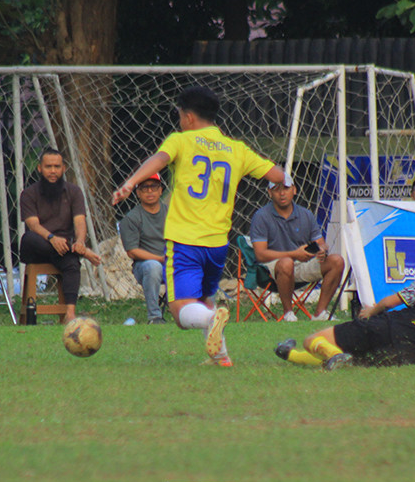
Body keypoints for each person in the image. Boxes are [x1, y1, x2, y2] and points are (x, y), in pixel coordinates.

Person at [112, 86, 286, 366]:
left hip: (185, 241)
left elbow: (159, 159)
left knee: (181, 311)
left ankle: (210, 320)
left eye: (180, 114)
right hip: (218, 243)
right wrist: (286, 180)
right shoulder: (237, 149)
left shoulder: (182, 140)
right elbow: (278, 175)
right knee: (204, 298)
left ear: (188, 117)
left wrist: (130, 183)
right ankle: (221, 356)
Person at [274, 234, 415, 370]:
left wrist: (372, 311)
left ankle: (327, 355)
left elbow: (394, 300)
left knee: (312, 340)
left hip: (387, 330)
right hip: (408, 356)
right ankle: (287, 353)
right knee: (353, 362)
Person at [20, 148, 102, 323]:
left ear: (63, 168)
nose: (53, 171)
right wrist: (52, 239)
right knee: (30, 238)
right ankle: (79, 252)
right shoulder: (29, 194)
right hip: (38, 245)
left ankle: (70, 313)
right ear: (39, 168)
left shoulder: (74, 192)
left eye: (57, 166)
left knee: (72, 263)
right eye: (48, 166)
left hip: (65, 248)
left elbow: (80, 222)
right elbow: (33, 225)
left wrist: (80, 241)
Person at [248, 175, 345, 322]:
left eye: (286, 188)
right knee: (287, 262)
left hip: (302, 264)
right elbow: (261, 254)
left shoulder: (306, 214)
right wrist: (294, 254)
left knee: (337, 260)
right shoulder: (261, 216)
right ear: (269, 192)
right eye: (276, 189)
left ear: (294, 190)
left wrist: (321, 251)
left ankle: (320, 314)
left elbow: (321, 243)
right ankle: (288, 313)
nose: (282, 193)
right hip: (272, 267)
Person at [119, 173, 168, 324]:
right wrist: (159, 259)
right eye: (144, 188)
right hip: (144, 265)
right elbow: (132, 251)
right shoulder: (132, 218)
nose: (149, 191)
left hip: (171, 260)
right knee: (153, 266)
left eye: (153, 187)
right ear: (138, 193)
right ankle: (155, 316)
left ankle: (191, 313)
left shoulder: (171, 213)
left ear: (160, 190)